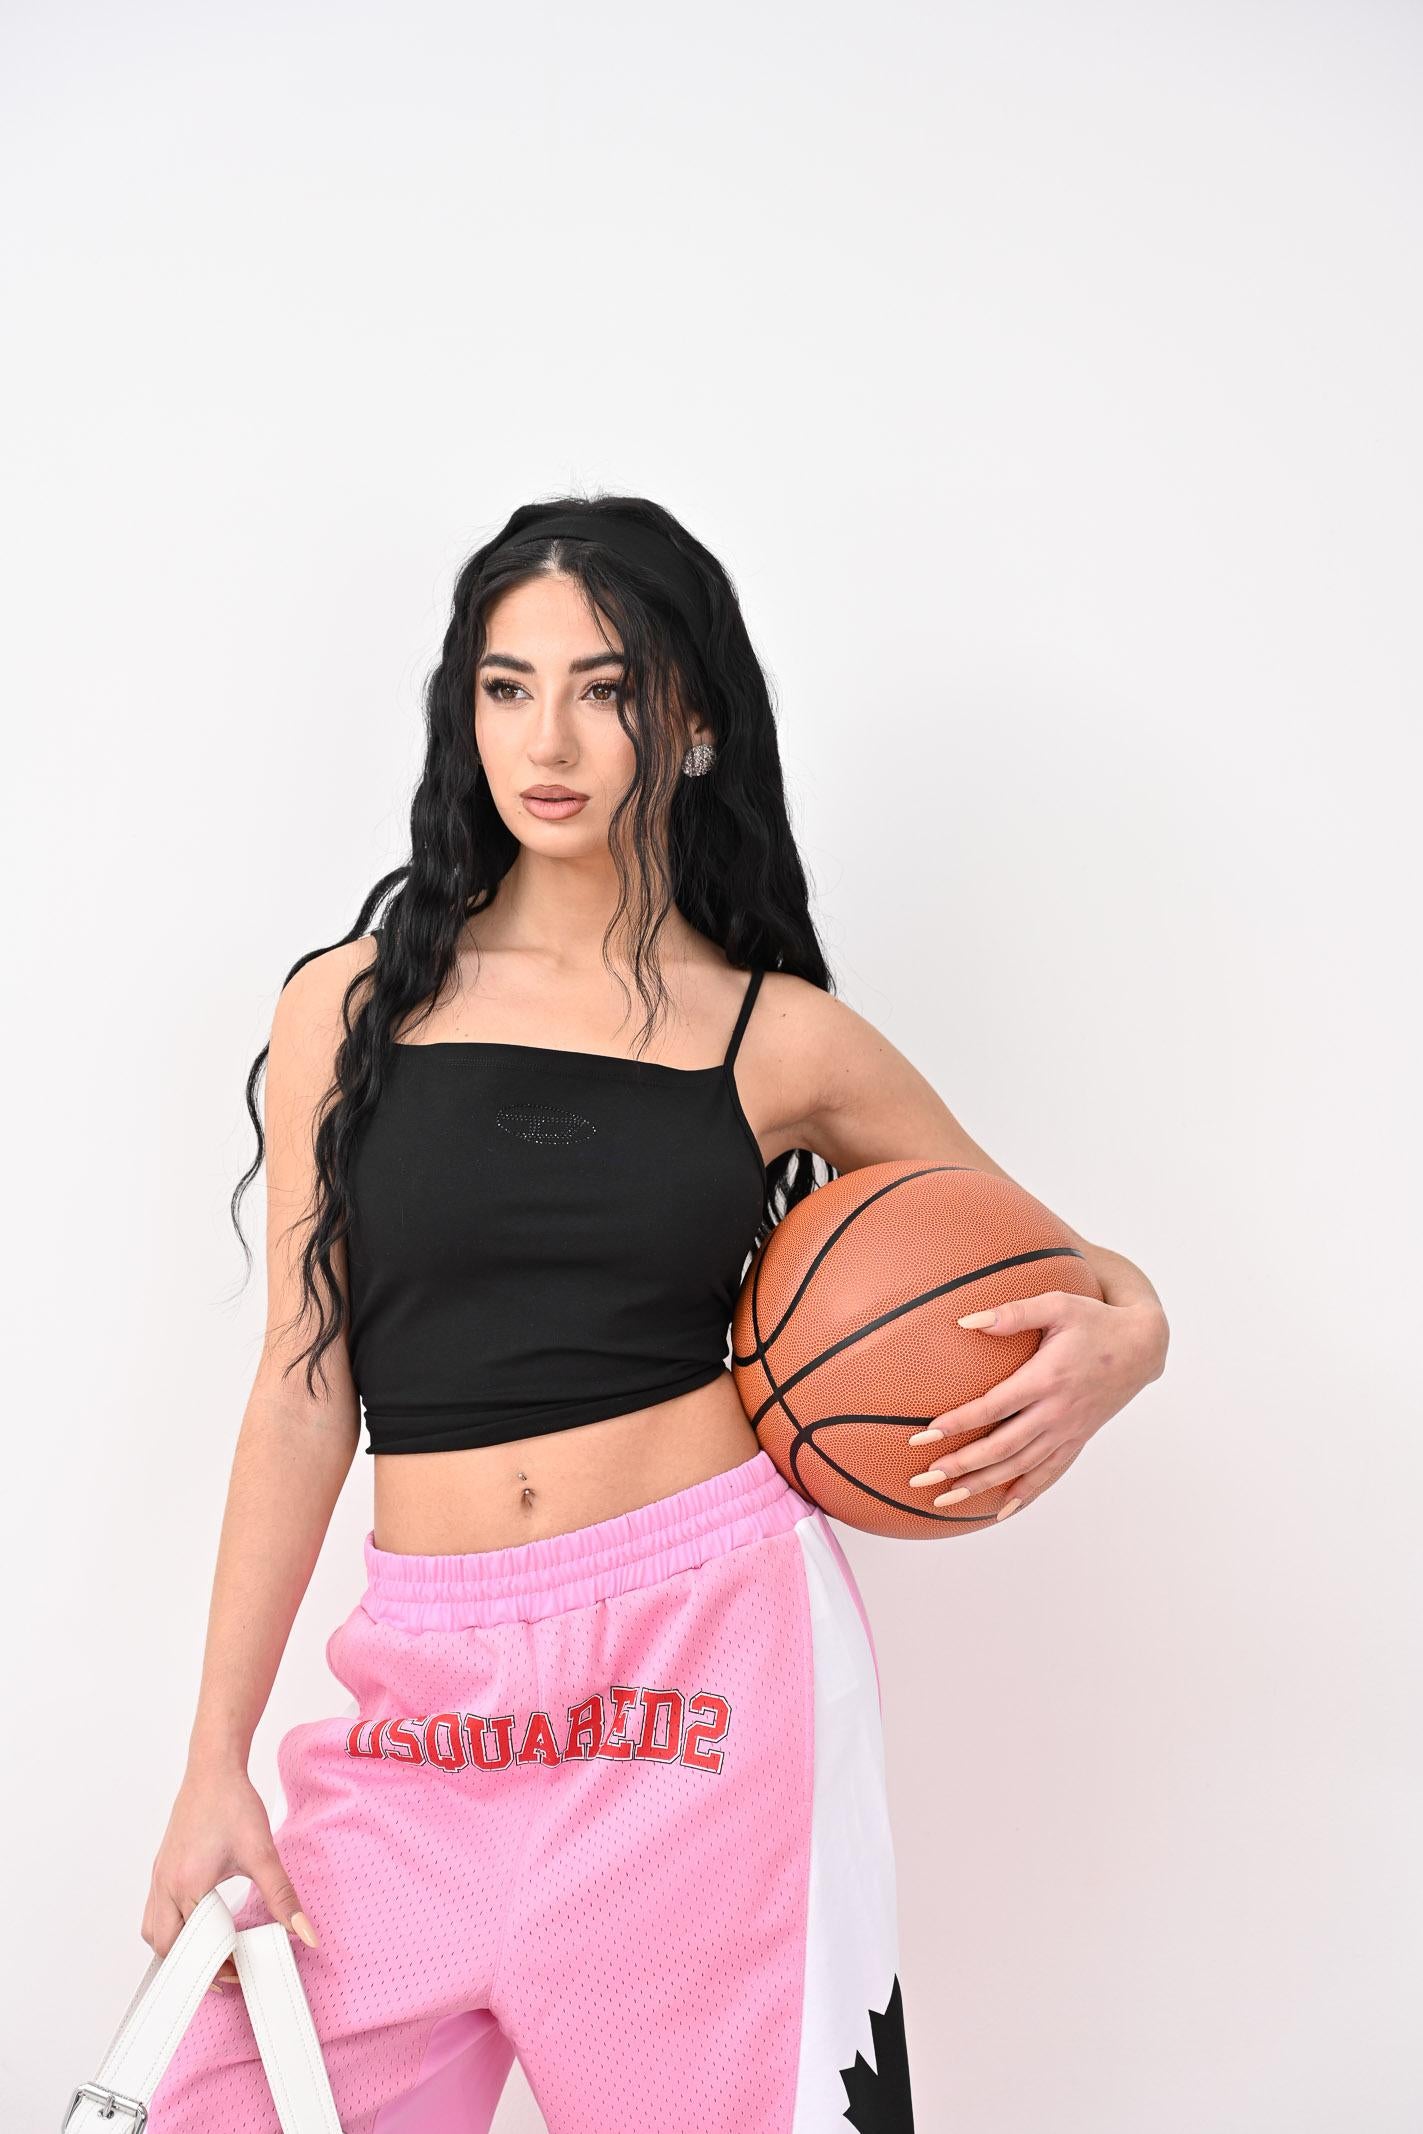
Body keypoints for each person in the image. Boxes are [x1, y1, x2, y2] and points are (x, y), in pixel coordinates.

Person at [131, 498, 1169, 2132]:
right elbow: (300, 1384)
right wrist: (216, 1754)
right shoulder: (351, 1002)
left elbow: (1059, 1271)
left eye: (605, 689)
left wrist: (1136, 1334)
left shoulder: (779, 1035)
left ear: (691, 721)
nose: (547, 739)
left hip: (706, 1670)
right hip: (426, 1698)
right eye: (507, 686)